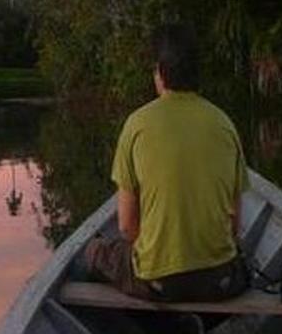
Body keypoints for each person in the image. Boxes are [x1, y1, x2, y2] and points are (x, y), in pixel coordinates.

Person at [84, 23, 249, 302]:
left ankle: (162, 323)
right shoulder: (224, 124)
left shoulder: (136, 125)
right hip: (219, 281)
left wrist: (156, 254)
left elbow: (125, 227)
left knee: (92, 252)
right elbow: (234, 225)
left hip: (158, 282)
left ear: (160, 72)